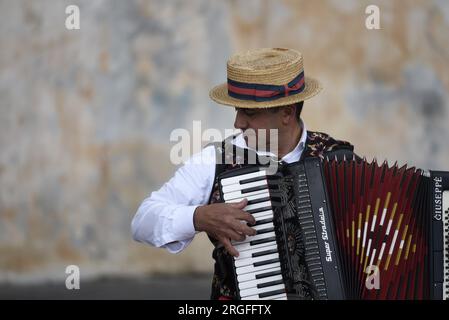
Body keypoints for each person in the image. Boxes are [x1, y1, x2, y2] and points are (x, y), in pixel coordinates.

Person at [131, 48, 357, 299]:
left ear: (286, 112)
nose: (238, 123)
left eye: (249, 112)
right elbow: (143, 220)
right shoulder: (215, 160)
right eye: (237, 110)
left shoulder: (339, 161)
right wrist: (198, 217)